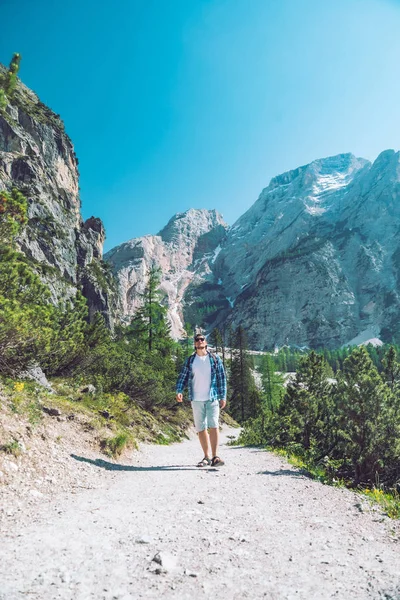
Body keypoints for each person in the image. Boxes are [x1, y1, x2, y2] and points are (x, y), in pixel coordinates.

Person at [176, 333, 227, 467]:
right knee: (201, 428)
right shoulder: (190, 360)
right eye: (197, 340)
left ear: (206, 342)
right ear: (194, 344)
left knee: (214, 425)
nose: (199, 341)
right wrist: (179, 391)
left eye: (201, 339)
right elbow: (183, 376)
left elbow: (222, 378)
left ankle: (215, 456)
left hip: (212, 397)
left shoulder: (215, 359)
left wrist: (223, 396)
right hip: (196, 399)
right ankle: (206, 457)